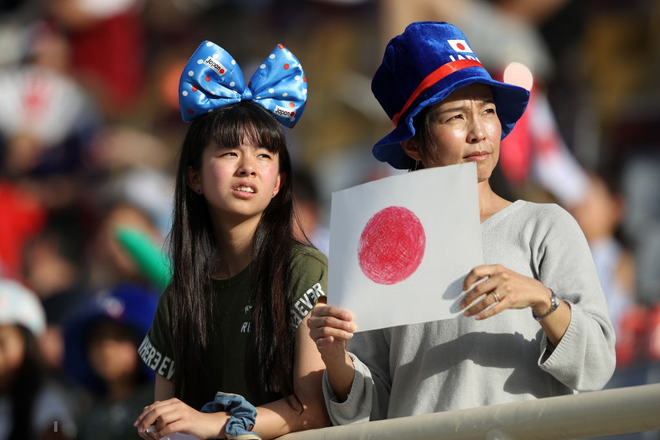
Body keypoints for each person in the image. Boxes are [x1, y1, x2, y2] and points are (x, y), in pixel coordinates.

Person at [308, 21, 616, 424]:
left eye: (487, 111)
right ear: (413, 142)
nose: (479, 132)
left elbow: (596, 366)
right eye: (456, 116)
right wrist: (336, 358)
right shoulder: (380, 244)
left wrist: (542, 299)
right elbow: (372, 406)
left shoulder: (545, 225)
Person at [133, 40, 329, 439]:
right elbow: (166, 419)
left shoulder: (305, 269)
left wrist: (212, 423)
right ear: (193, 177)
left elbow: (312, 411)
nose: (248, 168)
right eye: (228, 153)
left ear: (279, 183)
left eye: (264, 155)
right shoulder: (178, 296)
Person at [63, 282, 158, 440]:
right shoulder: (83, 411)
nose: (107, 349)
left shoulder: (156, 403)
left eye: (120, 337)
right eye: (99, 338)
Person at [0, 279, 76, 440]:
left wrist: (54, 430)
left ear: (30, 345)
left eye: (2, 343)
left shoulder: (48, 404)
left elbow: (56, 429)